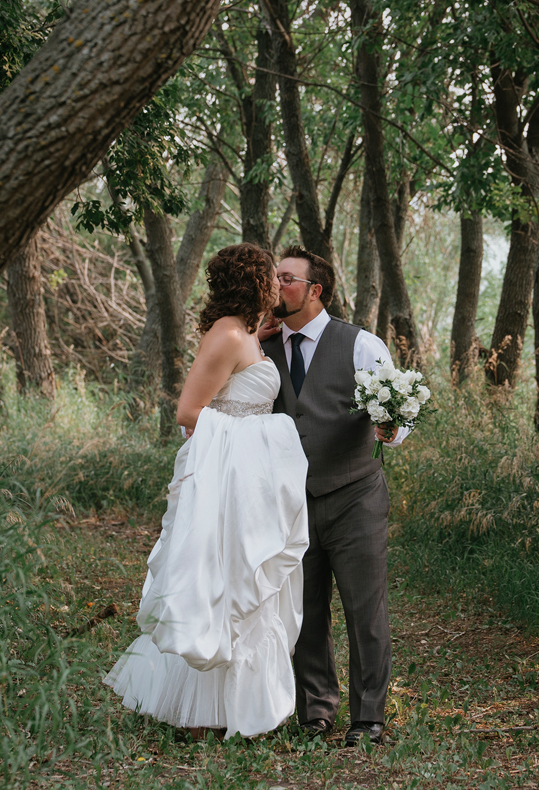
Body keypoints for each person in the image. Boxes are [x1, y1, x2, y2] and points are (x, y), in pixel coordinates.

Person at [104, 243, 310, 740]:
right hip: (231, 475)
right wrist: (263, 432)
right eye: (271, 277)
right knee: (222, 580)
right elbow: (189, 413)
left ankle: (232, 709)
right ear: (256, 283)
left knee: (244, 579)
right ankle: (200, 713)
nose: (278, 286)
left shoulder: (242, 334)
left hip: (250, 479)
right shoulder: (226, 335)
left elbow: (236, 383)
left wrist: (256, 339)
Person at [258, 245, 408, 748]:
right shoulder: (263, 347)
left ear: (314, 290)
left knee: (365, 609)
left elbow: (398, 419)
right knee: (303, 610)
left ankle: (368, 717)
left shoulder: (362, 345)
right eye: (274, 277)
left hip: (354, 496)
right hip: (291, 501)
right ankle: (316, 709)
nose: (276, 286)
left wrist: (389, 428)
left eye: (286, 278)